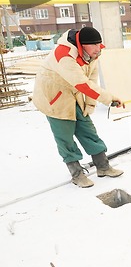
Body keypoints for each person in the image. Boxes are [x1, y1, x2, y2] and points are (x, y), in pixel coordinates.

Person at [32, 27, 125, 188]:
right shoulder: (64, 55)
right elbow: (83, 85)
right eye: (94, 45)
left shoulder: (93, 54)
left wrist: (90, 104)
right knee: (65, 136)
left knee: (88, 130)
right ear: (82, 45)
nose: (98, 48)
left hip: (73, 92)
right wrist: (109, 98)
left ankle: (103, 167)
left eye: (99, 44)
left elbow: (91, 80)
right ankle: (77, 174)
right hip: (53, 96)